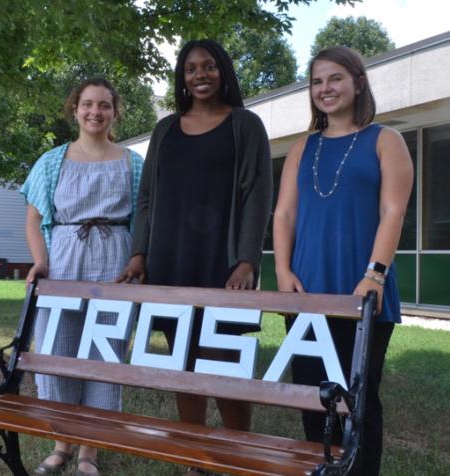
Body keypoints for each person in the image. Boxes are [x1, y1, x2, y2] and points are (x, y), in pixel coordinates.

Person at [118, 39, 272, 476]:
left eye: (208, 67)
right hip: (170, 259)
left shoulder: (245, 124)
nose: (199, 75)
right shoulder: (166, 128)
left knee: (226, 361)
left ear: (223, 71)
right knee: (183, 360)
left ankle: (238, 456)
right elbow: (147, 197)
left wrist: (246, 260)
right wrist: (140, 252)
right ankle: (197, 457)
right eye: (190, 69)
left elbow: (257, 196)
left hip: (222, 264)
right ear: (181, 78)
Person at [273, 46, 413, 475]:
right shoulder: (302, 148)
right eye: (317, 81)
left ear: (358, 82)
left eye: (335, 78)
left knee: (359, 400)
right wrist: (282, 270)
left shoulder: (386, 140)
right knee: (313, 398)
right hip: (307, 293)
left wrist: (375, 274)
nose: (325, 88)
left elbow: (394, 212)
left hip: (363, 292)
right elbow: (284, 214)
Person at [20, 77, 144, 476]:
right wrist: (41, 261)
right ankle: (61, 444)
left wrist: (138, 259)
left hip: (115, 262)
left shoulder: (132, 163)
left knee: (104, 357)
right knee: (57, 353)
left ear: (115, 112)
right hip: (64, 262)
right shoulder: (52, 161)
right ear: (74, 109)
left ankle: (90, 450)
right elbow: (34, 220)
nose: (95, 112)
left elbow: (144, 220)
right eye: (87, 104)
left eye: (104, 105)